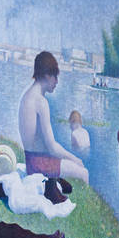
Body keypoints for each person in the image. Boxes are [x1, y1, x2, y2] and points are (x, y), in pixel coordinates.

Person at [18, 51, 88, 183]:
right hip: (40, 164)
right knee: (84, 173)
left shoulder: (26, 96)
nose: (57, 81)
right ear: (46, 75)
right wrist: (75, 159)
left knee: (70, 170)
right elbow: (52, 147)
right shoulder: (41, 101)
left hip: (30, 162)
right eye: (55, 76)